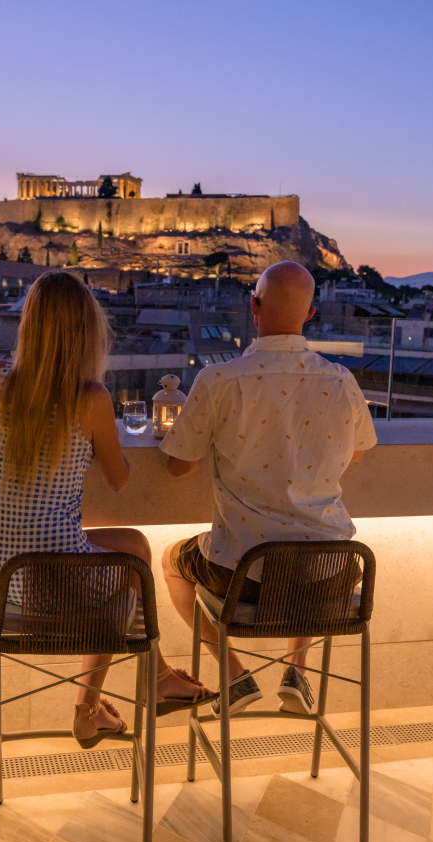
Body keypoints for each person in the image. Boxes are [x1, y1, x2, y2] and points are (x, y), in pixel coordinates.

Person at [0, 271, 214, 749]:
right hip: (56, 576)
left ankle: (149, 682)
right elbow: (119, 479)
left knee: (133, 551)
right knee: (134, 563)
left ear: (28, 327)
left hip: (1, 574)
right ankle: (91, 705)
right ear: (85, 332)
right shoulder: (91, 398)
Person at [159, 261, 377, 716]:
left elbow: (179, 466)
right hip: (334, 574)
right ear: (311, 313)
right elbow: (357, 453)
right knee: (309, 546)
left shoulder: (220, 380)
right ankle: (296, 671)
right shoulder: (341, 380)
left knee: (172, 560)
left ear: (253, 305)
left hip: (246, 581)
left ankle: (234, 675)